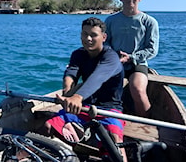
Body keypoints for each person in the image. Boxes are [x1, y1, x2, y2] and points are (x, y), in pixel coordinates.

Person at [40, 17, 127, 162]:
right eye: (84, 34)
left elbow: (97, 78)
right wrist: (67, 93)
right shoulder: (78, 54)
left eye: (93, 35)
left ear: (104, 37)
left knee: (114, 143)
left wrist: (77, 97)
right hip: (83, 107)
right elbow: (71, 74)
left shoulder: (111, 57)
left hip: (109, 110)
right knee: (48, 126)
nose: (88, 39)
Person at [105, 0, 159, 117]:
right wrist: (113, 57)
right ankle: (108, 119)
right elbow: (105, 43)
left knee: (138, 90)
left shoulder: (149, 22)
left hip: (137, 64)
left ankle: (145, 124)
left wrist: (131, 57)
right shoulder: (110, 20)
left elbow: (152, 49)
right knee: (102, 87)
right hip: (115, 63)